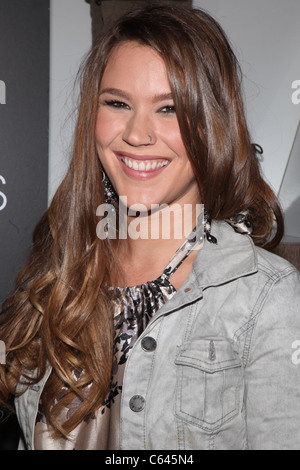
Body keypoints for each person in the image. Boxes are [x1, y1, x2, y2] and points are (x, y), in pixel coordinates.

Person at [0, 3, 300, 451]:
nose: (137, 134)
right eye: (117, 103)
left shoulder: (267, 300)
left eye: (169, 109)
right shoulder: (60, 273)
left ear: (212, 124)